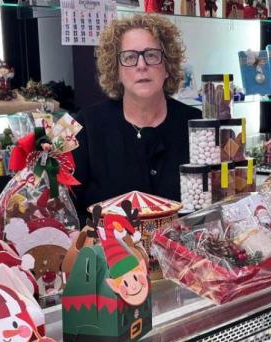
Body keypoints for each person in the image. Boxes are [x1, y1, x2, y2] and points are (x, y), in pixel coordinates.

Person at [71, 14, 201, 221]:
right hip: (106, 251)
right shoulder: (86, 125)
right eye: (130, 57)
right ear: (117, 71)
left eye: (151, 55)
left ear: (167, 67)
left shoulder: (198, 125)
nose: (141, 65)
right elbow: (67, 209)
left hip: (185, 251)